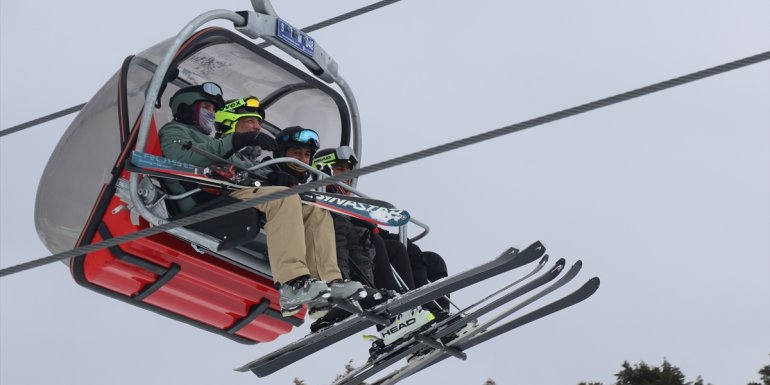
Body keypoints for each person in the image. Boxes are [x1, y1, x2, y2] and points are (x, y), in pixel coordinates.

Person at [157, 84, 363, 318]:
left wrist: (273, 176)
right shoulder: (174, 131)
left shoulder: (208, 138)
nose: (211, 115)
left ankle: (330, 281)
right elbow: (181, 156)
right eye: (206, 107)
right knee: (282, 200)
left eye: (213, 110)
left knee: (315, 212)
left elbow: (243, 166)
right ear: (186, 108)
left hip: (235, 193)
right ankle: (293, 283)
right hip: (207, 200)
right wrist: (236, 140)